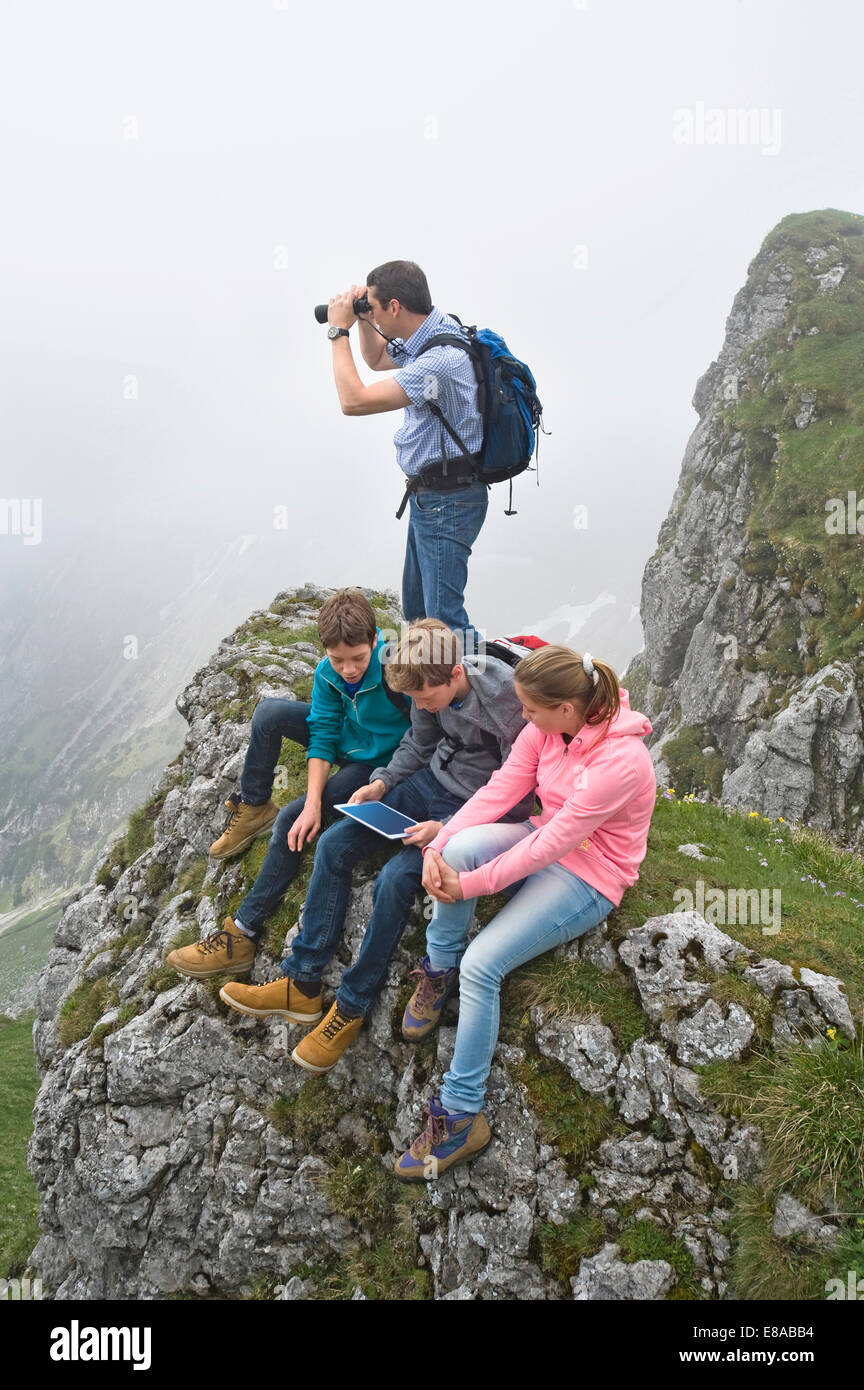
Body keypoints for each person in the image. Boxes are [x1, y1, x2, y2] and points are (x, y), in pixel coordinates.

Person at [218, 619, 534, 1069]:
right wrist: (382, 784)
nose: (421, 707)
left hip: (475, 808)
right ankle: (302, 981)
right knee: (333, 845)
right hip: (431, 781)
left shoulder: (507, 704)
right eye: (415, 701)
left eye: (426, 699)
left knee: (394, 880)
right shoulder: (426, 687)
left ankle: (350, 1007)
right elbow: (420, 741)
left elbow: (517, 791)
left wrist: (444, 829)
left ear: (457, 675)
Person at [393, 646, 657, 1181]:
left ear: (565, 708)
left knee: (483, 966)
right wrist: (440, 847)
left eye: (531, 712)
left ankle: (463, 1115)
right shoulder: (547, 729)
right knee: (463, 847)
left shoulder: (620, 762)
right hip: (544, 835)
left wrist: (466, 885)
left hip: (590, 874)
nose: (523, 721)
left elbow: (553, 847)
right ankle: (437, 966)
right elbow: (501, 790)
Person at [165, 590, 409, 984]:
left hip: (376, 765)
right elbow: (323, 734)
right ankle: (255, 806)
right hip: (348, 741)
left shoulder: (397, 670)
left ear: (376, 639)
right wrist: (315, 801)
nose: (348, 669)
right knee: (270, 713)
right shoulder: (328, 675)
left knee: (293, 819)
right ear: (325, 650)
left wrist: (316, 805)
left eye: (358, 659)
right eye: (338, 659)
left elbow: (425, 732)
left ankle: (241, 935)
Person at [325, 260, 487, 648]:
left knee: (444, 626)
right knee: (418, 613)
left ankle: (489, 699)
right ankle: (429, 702)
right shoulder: (433, 332)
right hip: (432, 497)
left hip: (448, 500)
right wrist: (365, 320)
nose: (373, 313)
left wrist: (338, 331)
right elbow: (377, 359)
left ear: (394, 307)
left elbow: (353, 400)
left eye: (376, 307)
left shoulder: (439, 362)